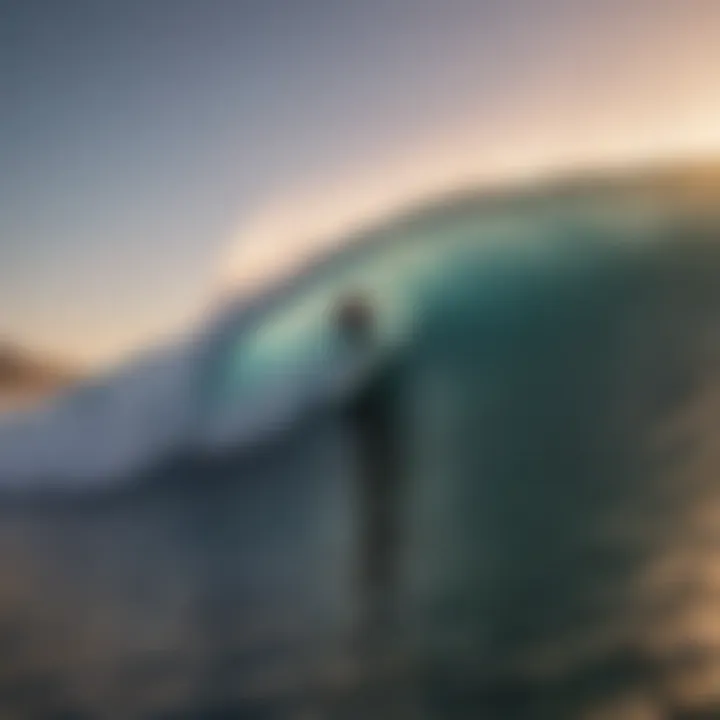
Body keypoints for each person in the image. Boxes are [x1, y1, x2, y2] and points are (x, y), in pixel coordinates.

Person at [334, 293, 409, 661]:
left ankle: (379, 587)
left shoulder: (368, 357)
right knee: (378, 516)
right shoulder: (363, 356)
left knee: (380, 515)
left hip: (379, 447)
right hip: (375, 449)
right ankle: (378, 588)